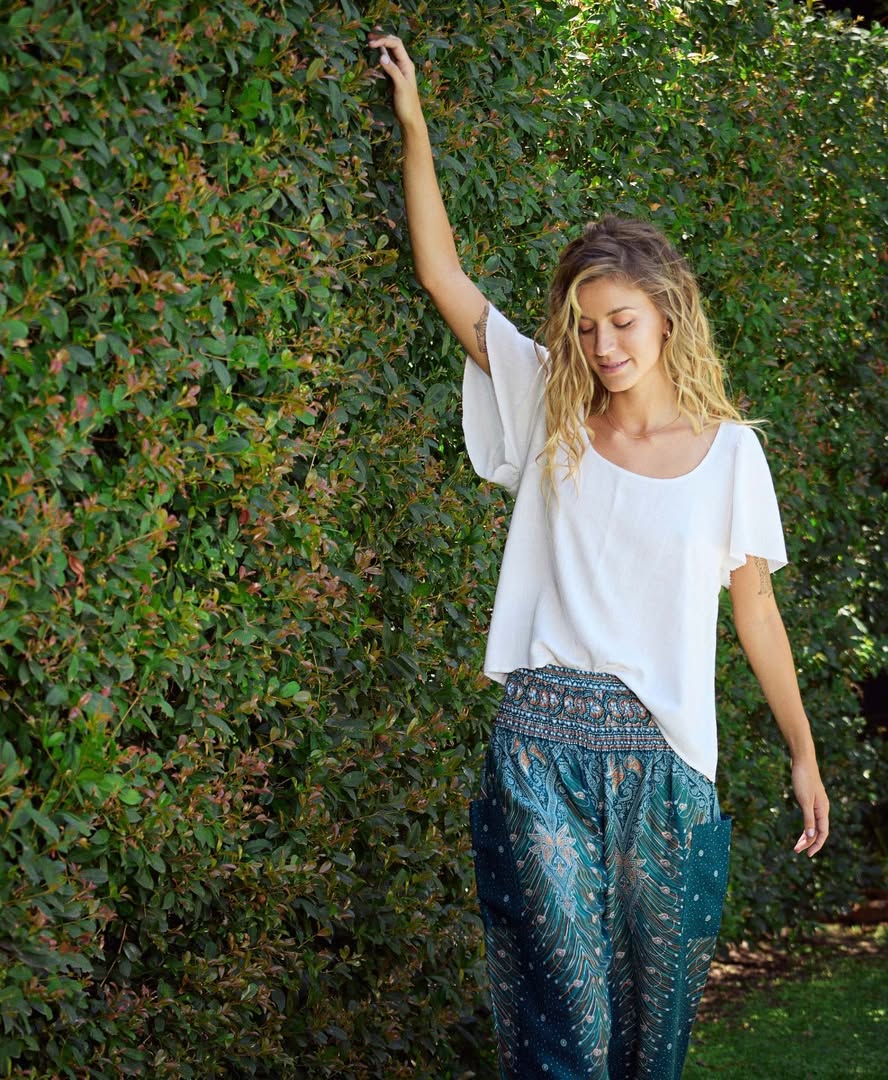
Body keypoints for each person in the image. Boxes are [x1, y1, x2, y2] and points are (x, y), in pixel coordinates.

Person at [366, 31, 830, 1080]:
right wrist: (416, 128)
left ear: (666, 316)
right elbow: (445, 278)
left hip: (668, 769)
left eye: (619, 321)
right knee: (565, 1025)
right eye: (584, 329)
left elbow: (754, 610)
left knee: (649, 1040)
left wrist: (802, 751)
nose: (603, 346)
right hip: (540, 747)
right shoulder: (552, 415)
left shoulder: (732, 456)